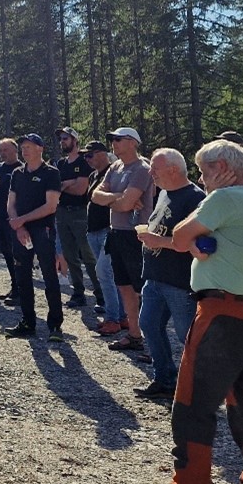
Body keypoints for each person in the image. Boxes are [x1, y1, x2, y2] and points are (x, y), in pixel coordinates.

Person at [133, 139, 243, 484]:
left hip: (219, 314)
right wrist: (203, 242)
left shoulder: (225, 198)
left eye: (203, 170)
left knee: (192, 407)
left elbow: (180, 237)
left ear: (223, 168)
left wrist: (196, 239)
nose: (201, 179)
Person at [133, 149, 205, 399]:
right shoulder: (164, 192)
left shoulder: (195, 198)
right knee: (149, 325)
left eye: (155, 168)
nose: (150, 172)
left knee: (188, 336)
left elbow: (195, 243)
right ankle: (165, 379)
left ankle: (198, 390)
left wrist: (158, 241)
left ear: (173, 170)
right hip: (155, 276)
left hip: (179, 281)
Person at [91, 126, 152, 352]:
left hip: (136, 234)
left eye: (119, 139)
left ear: (133, 142)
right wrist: (118, 197)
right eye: (113, 140)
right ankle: (134, 334)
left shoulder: (142, 169)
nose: (114, 143)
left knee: (141, 289)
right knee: (124, 286)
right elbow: (95, 196)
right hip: (116, 232)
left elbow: (127, 205)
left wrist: (114, 200)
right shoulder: (115, 167)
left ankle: (152, 341)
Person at [3, 134, 66, 341]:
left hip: (42, 230)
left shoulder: (51, 173)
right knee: (22, 275)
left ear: (40, 148)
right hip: (21, 231)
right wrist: (18, 225)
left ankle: (55, 325)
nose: (24, 150)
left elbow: (50, 206)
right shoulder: (17, 173)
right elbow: (11, 202)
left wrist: (22, 220)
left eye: (28, 146)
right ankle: (28, 322)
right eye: (23, 147)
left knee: (49, 275)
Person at [54, 127, 100, 309]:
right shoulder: (61, 164)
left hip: (80, 212)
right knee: (69, 254)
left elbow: (81, 189)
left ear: (75, 140)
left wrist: (64, 185)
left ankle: (100, 293)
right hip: (62, 212)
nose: (62, 142)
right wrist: (69, 183)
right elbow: (55, 188)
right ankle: (78, 293)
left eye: (65, 138)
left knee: (88, 254)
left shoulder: (83, 161)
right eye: (61, 139)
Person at [85, 141, 126, 335]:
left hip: (108, 230)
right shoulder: (93, 175)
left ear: (102, 153)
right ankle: (121, 316)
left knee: (104, 272)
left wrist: (106, 197)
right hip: (93, 230)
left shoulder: (114, 172)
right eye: (85, 156)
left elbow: (121, 196)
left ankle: (112, 319)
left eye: (90, 155)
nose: (87, 159)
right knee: (110, 274)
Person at [0, 139, 21, 305]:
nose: (2, 153)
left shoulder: (21, 168)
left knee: (17, 254)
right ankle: (15, 286)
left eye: (6, 150)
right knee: (7, 253)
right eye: (1, 150)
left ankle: (21, 291)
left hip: (13, 218)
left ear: (15, 150)